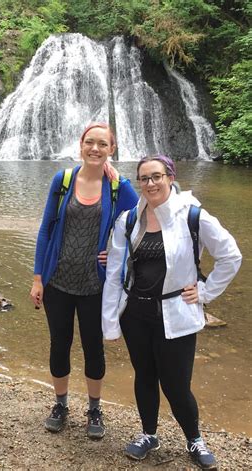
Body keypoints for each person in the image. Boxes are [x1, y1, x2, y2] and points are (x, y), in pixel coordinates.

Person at [102, 155, 242, 469]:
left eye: (156, 176)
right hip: (136, 314)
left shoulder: (193, 215)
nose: (150, 183)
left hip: (176, 313)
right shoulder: (129, 219)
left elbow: (231, 255)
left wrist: (206, 292)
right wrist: (110, 320)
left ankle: (194, 439)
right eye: (144, 178)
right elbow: (114, 272)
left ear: (170, 177)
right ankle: (148, 434)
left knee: (176, 385)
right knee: (145, 377)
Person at [30, 122, 138, 438]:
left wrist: (115, 256)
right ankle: (61, 404)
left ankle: (94, 409)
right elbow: (46, 229)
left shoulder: (117, 188)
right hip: (57, 282)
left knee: (93, 348)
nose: (95, 148)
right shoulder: (62, 180)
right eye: (90, 142)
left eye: (102, 144)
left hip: (95, 285)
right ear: (81, 145)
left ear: (111, 149)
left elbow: (143, 218)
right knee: (59, 345)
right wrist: (38, 278)